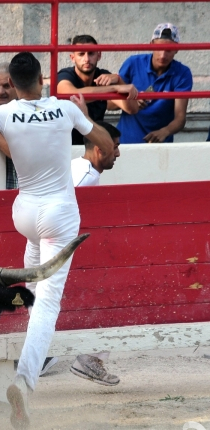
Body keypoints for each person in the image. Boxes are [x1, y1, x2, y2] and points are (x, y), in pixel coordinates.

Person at [0, 52, 113, 430]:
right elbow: (101, 138)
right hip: (58, 214)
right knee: (49, 301)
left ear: (14, 84)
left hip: (24, 213)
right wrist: (102, 140)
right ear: (42, 79)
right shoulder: (63, 108)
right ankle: (24, 381)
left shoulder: (1, 115)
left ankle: (3, 340)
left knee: (37, 289)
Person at [68, 121, 121, 385]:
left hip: (62, 250)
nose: (118, 154)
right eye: (116, 147)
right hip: (65, 253)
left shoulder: (79, 167)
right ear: (100, 149)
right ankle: (89, 358)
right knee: (110, 293)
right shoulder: (87, 176)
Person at [117, 23, 192, 144]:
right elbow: (110, 105)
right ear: (151, 44)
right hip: (126, 143)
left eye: (168, 50)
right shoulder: (133, 63)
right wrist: (130, 101)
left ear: (177, 49)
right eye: (159, 48)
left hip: (160, 147)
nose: (163, 55)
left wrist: (165, 131)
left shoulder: (182, 73)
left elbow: (180, 118)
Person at [57, 35, 138, 145]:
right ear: (73, 58)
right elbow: (71, 94)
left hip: (94, 144)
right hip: (66, 144)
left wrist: (119, 80)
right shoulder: (65, 75)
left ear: (99, 55)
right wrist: (114, 87)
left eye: (91, 53)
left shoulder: (104, 76)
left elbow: (132, 109)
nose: (86, 59)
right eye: (81, 54)